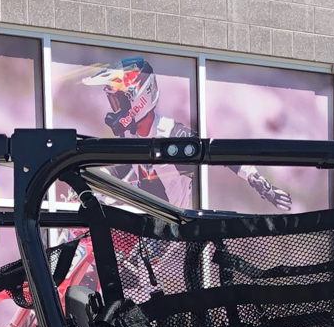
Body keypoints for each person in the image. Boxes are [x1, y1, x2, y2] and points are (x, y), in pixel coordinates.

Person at [82, 56, 294, 211]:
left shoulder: (173, 134)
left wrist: (257, 180)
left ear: (137, 98)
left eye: (118, 101)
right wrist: (88, 182)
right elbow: (121, 167)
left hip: (163, 233)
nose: (115, 110)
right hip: (139, 221)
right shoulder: (132, 137)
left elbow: (218, 153)